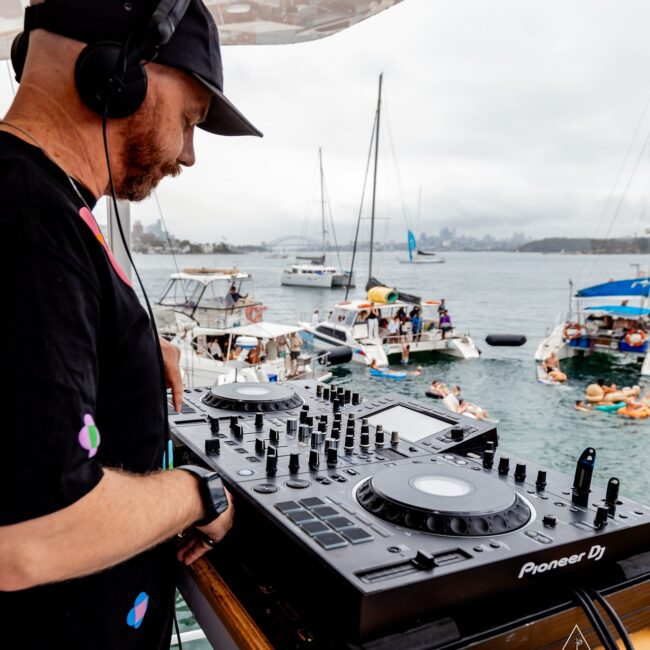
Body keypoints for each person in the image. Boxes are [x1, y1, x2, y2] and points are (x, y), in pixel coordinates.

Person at [0, 2, 263, 647]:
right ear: (118, 76)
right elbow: (29, 538)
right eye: (191, 118)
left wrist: (139, 348)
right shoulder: (26, 217)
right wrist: (201, 494)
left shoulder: (41, 201)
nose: (189, 153)